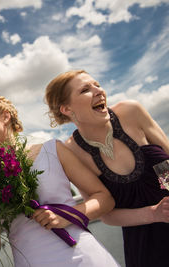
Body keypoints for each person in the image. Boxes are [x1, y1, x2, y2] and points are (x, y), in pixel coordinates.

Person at [0, 94, 120, 266]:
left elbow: (104, 198)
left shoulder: (52, 149)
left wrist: (66, 216)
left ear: (5, 116)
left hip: (80, 256)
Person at [44, 70, 169, 267]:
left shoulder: (131, 111)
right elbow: (107, 214)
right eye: (85, 89)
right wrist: (154, 213)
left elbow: (165, 161)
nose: (98, 91)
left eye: (97, 84)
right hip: (146, 247)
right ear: (67, 109)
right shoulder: (71, 152)